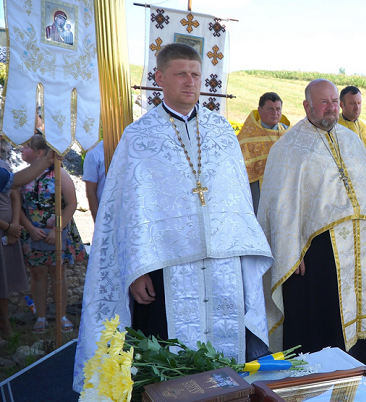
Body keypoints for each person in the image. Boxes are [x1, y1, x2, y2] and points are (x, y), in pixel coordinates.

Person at [73, 43, 273, 392]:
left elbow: (239, 203)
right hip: (166, 268)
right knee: (169, 368)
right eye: (181, 74)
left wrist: (243, 263)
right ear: (160, 78)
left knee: (228, 367)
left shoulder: (223, 132)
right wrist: (135, 270)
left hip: (224, 268)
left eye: (195, 74)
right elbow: (124, 214)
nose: (190, 82)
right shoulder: (139, 137)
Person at [258, 79, 366, 369]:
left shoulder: (352, 140)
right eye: (323, 102)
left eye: (334, 102)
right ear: (307, 106)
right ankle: (320, 381)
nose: (331, 108)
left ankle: (361, 376)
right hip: (317, 253)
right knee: (323, 323)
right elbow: (279, 206)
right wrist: (290, 250)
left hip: (359, 249)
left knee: (360, 322)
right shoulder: (288, 147)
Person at [18, 135, 86, 335]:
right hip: (33, 232)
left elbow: (71, 203)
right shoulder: (22, 176)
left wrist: (58, 229)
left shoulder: (59, 173)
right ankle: (40, 316)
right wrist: (30, 229)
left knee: (58, 273)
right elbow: (18, 206)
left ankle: (61, 315)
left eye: (26, 147)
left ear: (39, 153)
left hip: (58, 232)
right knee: (37, 273)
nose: (21, 150)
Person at [236, 92, 291, 213]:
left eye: (278, 109)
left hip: (284, 186)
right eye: (270, 109)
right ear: (260, 110)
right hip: (257, 187)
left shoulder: (288, 133)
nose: (275, 113)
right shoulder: (247, 137)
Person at [0, 159, 27, 352]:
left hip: (9, 227)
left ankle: (4, 320)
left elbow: (15, 196)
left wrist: (15, 224)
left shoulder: (4, 164)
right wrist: (8, 227)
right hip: (4, 226)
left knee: (4, 278)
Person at [337, 86, 366, 161]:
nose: (357, 107)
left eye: (359, 103)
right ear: (341, 104)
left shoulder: (365, 125)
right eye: (352, 103)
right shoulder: (334, 126)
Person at [82, 140, 105, 222]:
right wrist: (98, 222)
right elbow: (91, 191)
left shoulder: (136, 149)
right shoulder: (94, 153)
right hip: (106, 213)